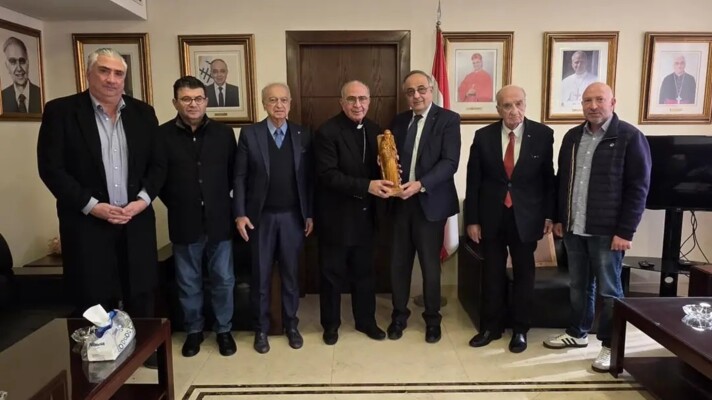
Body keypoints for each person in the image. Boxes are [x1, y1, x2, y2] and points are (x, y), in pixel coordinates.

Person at [37, 48, 161, 366]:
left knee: (140, 289)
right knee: (92, 291)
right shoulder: (61, 112)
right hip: (87, 222)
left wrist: (141, 201)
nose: (111, 79)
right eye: (104, 71)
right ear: (88, 74)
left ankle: (144, 353)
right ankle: (98, 357)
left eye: (118, 73)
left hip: (134, 219)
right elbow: (51, 168)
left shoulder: (143, 113)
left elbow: (158, 165)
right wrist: (92, 206)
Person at [543, 82, 651, 373]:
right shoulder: (572, 137)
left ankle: (610, 345)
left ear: (612, 102)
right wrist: (559, 218)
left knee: (610, 290)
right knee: (578, 286)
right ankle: (577, 333)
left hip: (608, 232)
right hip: (574, 228)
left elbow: (638, 188)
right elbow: (561, 181)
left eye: (599, 99)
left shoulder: (630, 137)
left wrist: (626, 231)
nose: (593, 106)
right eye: (587, 100)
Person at [464, 85, 555, 353]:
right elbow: (473, 181)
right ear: (498, 109)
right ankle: (491, 327)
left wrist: (550, 214)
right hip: (491, 216)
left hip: (526, 217)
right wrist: (472, 220)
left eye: (519, 104)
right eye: (507, 105)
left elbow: (548, 180)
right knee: (492, 274)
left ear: (525, 104)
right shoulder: (483, 136)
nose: (514, 110)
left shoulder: (543, 134)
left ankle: (520, 329)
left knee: (524, 274)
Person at [157, 76, 237, 357]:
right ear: (175, 102)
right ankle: (194, 331)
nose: (193, 104)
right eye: (186, 99)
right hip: (184, 220)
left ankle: (224, 330)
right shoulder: (162, 136)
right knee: (188, 281)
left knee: (223, 279)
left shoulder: (223, 134)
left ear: (206, 101)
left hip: (219, 219)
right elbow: (159, 181)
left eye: (199, 99)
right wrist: (181, 202)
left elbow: (234, 174)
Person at [233, 82, 313, 354]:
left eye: (283, 100)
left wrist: (309, 213)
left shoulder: (303, 134)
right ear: (264, 103)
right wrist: (240, 213)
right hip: (260, 218)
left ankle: (291, 325)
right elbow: (239, 177)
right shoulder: (250, 134)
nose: (279, 105)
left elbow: (308, 179)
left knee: (291, 275)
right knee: (261, 276)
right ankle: (261, 329)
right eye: (272, 100)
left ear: (290, 103)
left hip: (292, 217)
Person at [313, 80, 392, 345]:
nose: (357, 104)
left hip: (367, 217)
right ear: (341, 102)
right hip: (337, 217)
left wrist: (389, 170)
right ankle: (331, 325)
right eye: (351, 99)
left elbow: (379, 170)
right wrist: (367, 186)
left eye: (362, 99)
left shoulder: (376, 130)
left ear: (369, 101)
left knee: (365, 273)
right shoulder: (327, 132)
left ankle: (365, 321)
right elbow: (328, 175)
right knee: (331, 275)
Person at [387, 70, 461, 343]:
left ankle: (432, 319)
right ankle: (399, 316)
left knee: (430, 266)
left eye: (421, 89)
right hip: (399, 205)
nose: (416, 95)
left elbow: (450, 163)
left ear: (431, 90)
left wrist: (420, 184)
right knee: (399, 265)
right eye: (410, 92)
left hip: (430, 203)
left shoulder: (448, 120)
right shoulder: (398, 121)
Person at [2, 36, 42, 113]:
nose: (19, 68)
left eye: (22, 61)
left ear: (28, 62)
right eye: (13, 62)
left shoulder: (41, 94)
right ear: (7, 66)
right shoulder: (2, 97)